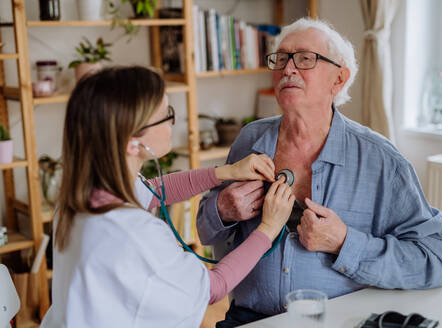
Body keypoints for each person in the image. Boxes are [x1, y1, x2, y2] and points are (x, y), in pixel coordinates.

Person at [197, 18, 442, 327]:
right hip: (249, 320)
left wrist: (344, 242)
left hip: (340, 321)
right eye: (281, 59)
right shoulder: (249, 140)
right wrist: (222, 209)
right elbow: (204, 231)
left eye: (305, 59)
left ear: (339, 79)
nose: (288, 69)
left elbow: (435, 259)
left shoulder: (381, 160)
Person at [40, 66, 295, 328]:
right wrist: (268, 228)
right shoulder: (137, 233)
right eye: (167, 114)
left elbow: (153, 190)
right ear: (133, 142)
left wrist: (225, 172)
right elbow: (213, 288)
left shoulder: (80, 198)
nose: (174, 121)